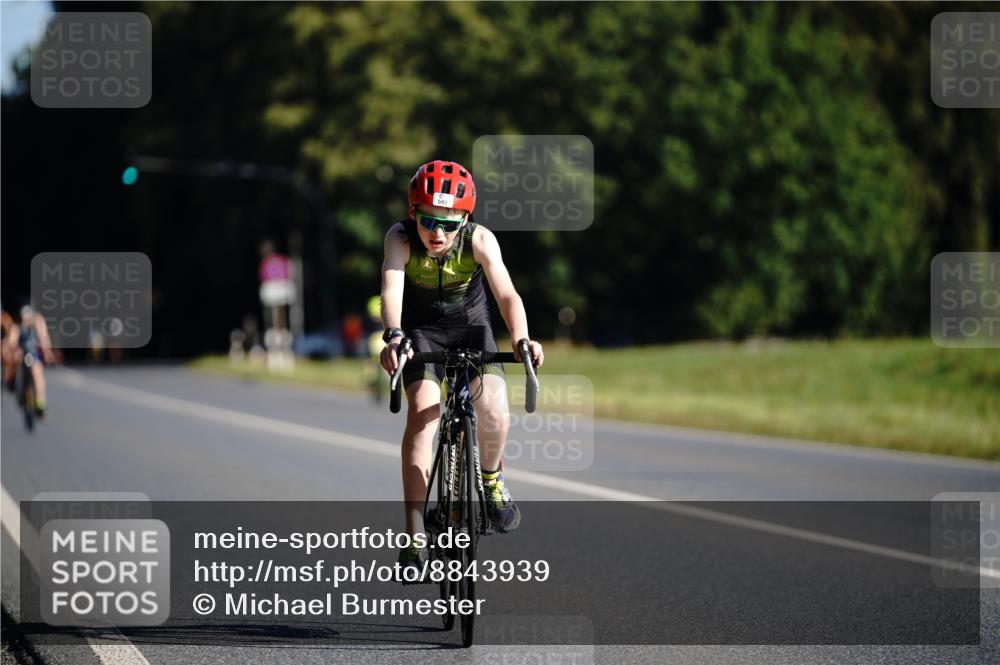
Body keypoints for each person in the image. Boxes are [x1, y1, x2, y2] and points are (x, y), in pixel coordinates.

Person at [379, 160, 544, 576]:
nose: (438, 234)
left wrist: (522, 338)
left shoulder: (480, 240)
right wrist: (394, 335)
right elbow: (392, 286)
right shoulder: (400, 238)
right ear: (413, 213)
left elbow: (507, 294)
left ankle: (491, 479)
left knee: (493, 409)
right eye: (429, 221)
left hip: (472, 329)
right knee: (423, 415)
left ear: (465, 220)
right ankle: (414, 535)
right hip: (422, 333)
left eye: (449, 225)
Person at [9, 305, 54, 416]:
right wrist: (14, 351)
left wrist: (47, 352)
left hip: (33, 353)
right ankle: (15, 385)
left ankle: (40, 402)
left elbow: (44, 338)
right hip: (22, 353)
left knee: (37, 371)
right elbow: (12, 341)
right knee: (14, 361)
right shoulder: (17, 325)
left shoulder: (38, 321)